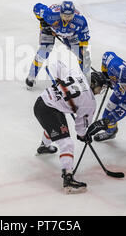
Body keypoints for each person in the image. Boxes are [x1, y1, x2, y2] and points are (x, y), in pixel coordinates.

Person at [33, 60, 109, 194]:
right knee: (67, 144)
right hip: (48, 109)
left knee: (55, 127)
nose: (100, 90)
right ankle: (68, 179)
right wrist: (83, 136)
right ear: (94, 84)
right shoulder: (90, 102)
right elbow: (80, 128)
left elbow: (56, 64)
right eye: (100, 87)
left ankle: (44, 146)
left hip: (43, 101)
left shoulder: (77, 74)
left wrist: (57, 81)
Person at [25, 1, 91, 89]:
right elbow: (36, 7)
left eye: (70, 16)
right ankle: (31, 77)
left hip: (70, 34)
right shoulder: (51, 14)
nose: (67, 18)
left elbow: (84, 37)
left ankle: (87, 82)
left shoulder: (80, 20)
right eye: (65, 15)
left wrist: (83, 51)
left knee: (83, 57)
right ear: (60, 13)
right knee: (43, 53)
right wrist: (42, 21)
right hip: (50, 31)